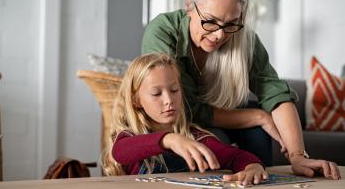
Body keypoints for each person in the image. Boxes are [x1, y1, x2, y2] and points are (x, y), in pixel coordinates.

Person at [141, 0, 340, 180]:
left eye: (231, 24)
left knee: (256, 133)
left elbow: (277, 95)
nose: (220, 35)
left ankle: (261, 180)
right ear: (189, 6)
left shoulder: (246, 40)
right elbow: (185, 109)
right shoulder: (162, 31)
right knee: (232, 133)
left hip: (219, 114)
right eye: (210, 21)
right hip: (177, 121)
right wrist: (259, 116)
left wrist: (297, 156)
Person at [101, 53, 267, 186]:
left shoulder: (195, 137)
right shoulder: (129, 138)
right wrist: (169, 140)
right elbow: (119, 151)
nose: (168, 100)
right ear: (136, 100)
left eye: (174, 90)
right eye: (156, 93)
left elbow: (235, 156)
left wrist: (253, 166)